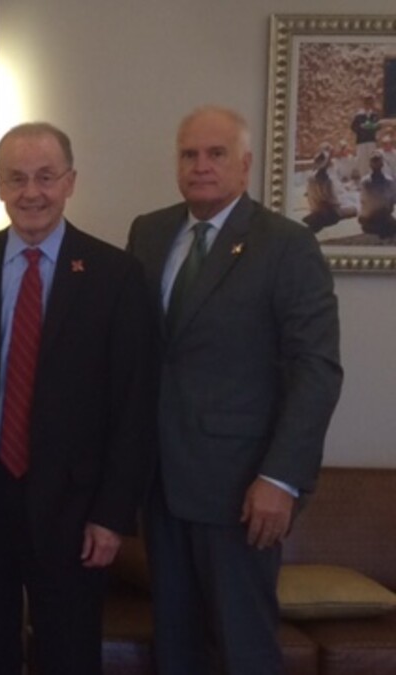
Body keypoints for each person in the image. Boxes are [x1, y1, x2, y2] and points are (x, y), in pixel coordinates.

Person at [0, 123, 157, 674]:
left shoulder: (115, 276)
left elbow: (134, 406)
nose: (32, 193)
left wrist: (112, 515)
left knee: (69, 651)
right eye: (17, 179)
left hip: (75, 506)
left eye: (46, 177)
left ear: (70, 181)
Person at [127, 106, 343, 675]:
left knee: (242, 650)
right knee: (175, 649)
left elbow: (316, 368)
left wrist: (281, 478)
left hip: (243, 492)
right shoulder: (149, 232)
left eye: (216, 154)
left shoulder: (286, 245)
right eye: (189, 154)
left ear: (245, 165)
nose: (201, 166)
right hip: (162, 483)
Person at [302, 147, 356, 233]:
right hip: (331, 212)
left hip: (314, 208)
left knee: (349, 198)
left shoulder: (310, 178)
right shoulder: (327, 181)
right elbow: (334, 202)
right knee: (355, 207)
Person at [358, 151, 396, 239]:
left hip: (368, 217)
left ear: (370, 166)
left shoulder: (364, 182)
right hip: (385, 216)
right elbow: (393, 201)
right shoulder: (389, 181)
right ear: (382, 165)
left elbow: (362, 200)